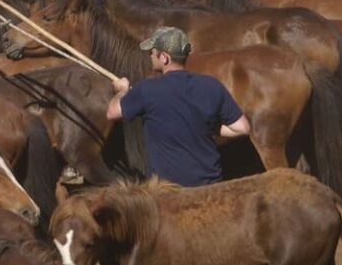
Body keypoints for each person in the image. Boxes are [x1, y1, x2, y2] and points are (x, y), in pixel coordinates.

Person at [106, 26, 251, 187]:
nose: (150, 55)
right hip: (209, 187)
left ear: (164, 58)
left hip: (168, 191)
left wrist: (122, 90)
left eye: (152, 52)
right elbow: (242, 128)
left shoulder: (146, 89)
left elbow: (112, 112)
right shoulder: (212, 85)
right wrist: (208, 127)